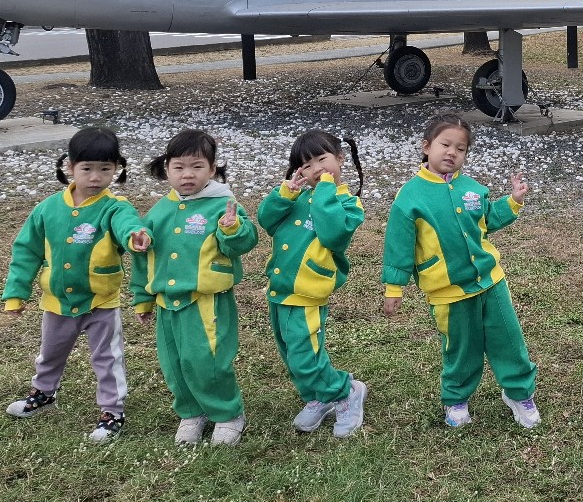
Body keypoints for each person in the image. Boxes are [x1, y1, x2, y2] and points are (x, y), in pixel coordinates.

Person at [382, 112, 540, 430]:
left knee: (509, 340)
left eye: (461, 148)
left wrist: (512, 201)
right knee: (461, 348)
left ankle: (519, 393)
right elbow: (399, 244)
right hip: (449, 292)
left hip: (491, 282)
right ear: (426, 147)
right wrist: (394, 287)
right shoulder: (410, 196)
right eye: (445, 144)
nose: (452, 152)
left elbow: (487, 219)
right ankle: (456, 398)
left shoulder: (473, 189)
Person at [1, 127, 150, 442]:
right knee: (50, 353)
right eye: (87, 169)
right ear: (70, 167)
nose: (96, 177)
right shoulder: (47, 209)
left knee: (107, 358)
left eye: (105, 169)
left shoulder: (115, 207)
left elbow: (127, 225)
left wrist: (134, 236)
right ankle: (43, 393)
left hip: (101, 301)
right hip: (57, 302)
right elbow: (26, 250)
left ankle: (112, 412)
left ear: (117, 168)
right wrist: (16, 293)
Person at [132, 129, 258, 446]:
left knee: (207, 360)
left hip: (206, 301)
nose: (187, 174)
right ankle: (191, 412)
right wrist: (143, 298)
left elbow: (243, 243)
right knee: (174, 363)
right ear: (167, 169)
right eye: (179, 167)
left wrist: (232, 229)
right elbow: (144, 258)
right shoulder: (159, 210)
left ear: (212, 169)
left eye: (197, 166)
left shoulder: (223, 205)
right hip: (167, 303)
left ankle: (227, 414)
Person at [257, 129, 368, 438]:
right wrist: (285, 194)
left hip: (307, 292)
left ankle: (345, 391)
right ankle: (317, 396)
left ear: (340, 159)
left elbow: (333, 234)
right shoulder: (298, 198)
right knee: (291, 354)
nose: (316, 169)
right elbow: (266, 220)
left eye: (322, 159)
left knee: (306, 355)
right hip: (280, 289)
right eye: (307, 165)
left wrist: (325, 189)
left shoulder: (348, 204)